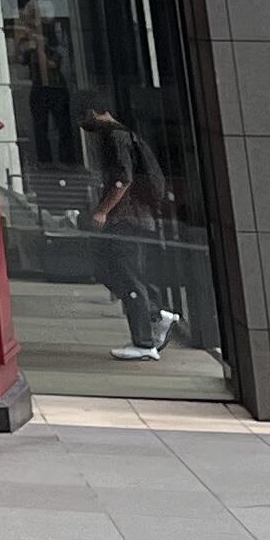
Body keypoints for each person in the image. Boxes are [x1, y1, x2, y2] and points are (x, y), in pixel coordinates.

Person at [84, 106, 184, 360]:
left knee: (125, 275)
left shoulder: (116, 137)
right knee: (118, 272)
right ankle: (156, 317)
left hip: (127, 218)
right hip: (137, 218)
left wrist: (102, 211)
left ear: (98, 113)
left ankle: (144, 341)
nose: (86, 127)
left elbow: (123, 178)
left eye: (87, 119)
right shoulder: (127, 136)